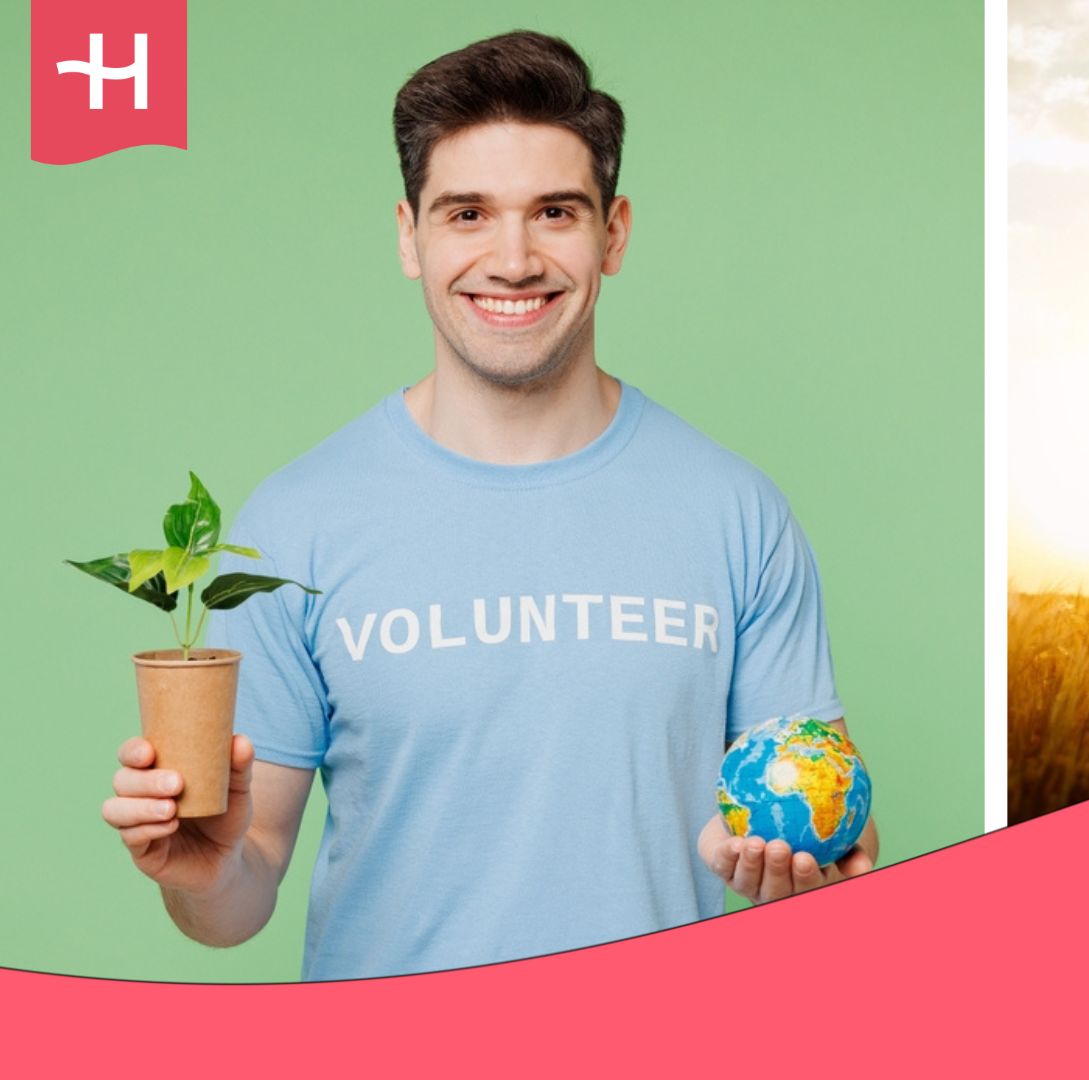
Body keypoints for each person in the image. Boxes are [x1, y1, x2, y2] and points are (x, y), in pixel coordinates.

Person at [98, 30, 877, 980]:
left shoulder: (738, 515)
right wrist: (200, 872)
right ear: (408, 236)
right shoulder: (295, 527)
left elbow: (833, 828)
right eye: (467, 213)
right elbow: (236, 894)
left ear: (614, 232)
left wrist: (821, 876)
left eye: (555, 211)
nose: (513, 259)